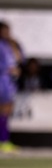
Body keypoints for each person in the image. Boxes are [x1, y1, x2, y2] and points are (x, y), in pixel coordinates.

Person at [0, 22, 21, 154]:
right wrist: (8, 70)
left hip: (9, 82)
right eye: (5, 31)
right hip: (2, 80)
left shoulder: (10, 45)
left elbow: (19, 59)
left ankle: (4, 141)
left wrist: (14, 44)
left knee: (6, 111)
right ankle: (3, 141)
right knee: (3, 110)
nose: (8, 33)